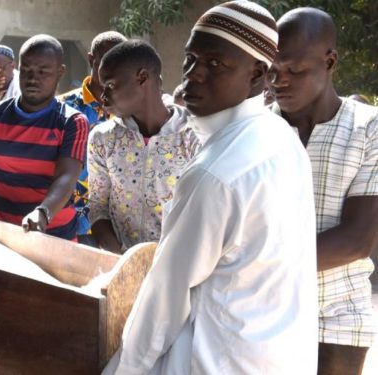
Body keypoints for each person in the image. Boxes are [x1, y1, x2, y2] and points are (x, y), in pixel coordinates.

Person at [103, 1, 317, 373]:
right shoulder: (280, 138)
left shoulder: (215, 173)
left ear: (257, 76)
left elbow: (164, 301)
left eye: (215, 64)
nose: (193, 75)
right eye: (190, 59)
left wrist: (124, 369)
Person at [269, 8, 378, 374]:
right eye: (272, 72)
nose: (279, 82)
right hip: (262, 310)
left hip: (340, 314)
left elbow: (357, 239)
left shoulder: (368, 128)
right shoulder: (257, 129)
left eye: (294, 70)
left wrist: (257, 264)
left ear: (329, 62)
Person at [0, 34, 89, 240]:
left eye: (43, 71)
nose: (33, 78)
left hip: (57, 236)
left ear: (60, 72)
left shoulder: (72, 122)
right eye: (26, 70)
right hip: (3, 236)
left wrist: (43, 213)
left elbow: (66, 177)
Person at [88, 39, 199, 253]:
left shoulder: (193, 138)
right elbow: (98, 208)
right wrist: (122, 260)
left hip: (178, 267)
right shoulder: (103, 138)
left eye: (110, 86)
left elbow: (205, 215)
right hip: (120, 268)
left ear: (142, 78)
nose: (103, 97)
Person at [59, 30, 126, 245]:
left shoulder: (131, 109)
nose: (111, 70)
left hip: (119, 224)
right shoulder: (64, 107)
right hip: (72, 220)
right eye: (105, 61)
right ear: (91, 60)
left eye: (119, 63)